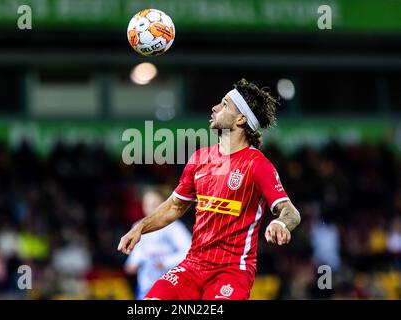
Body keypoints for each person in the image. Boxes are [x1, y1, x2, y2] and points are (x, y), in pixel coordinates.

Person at [118, 78, 301, 300]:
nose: (214, 108)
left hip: (232, 272)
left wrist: (280, 222)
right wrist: (140, 228)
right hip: (193, 266)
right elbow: (175, 206)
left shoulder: (258, 165)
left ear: (241, 119)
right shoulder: (200, 159)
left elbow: (290, 211)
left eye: (224, 105)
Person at [124, 187, 191, 300]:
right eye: (147, 205)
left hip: (169, 285)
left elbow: (189, 251)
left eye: (155, 205)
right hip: (146, 285)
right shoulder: (137, 227)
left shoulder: (174, 227)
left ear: (163, 206)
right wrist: (132, 263)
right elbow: (137, 253)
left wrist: (165, 262)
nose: (150, 209)